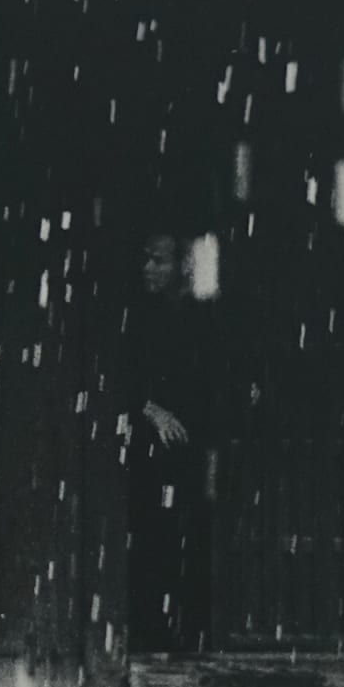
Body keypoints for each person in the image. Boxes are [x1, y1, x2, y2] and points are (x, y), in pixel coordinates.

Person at [125, 229, 215, 655]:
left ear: (180, 266)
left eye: (158, 261)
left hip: (188, 445)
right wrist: (149, 408)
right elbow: (122, 374)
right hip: (147, 447)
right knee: (150, 536)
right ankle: (150, 628)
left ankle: (186, 630)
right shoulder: (138, 317)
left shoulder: (197, 317)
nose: (148, 268)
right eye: (145, 259)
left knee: (187, 536)